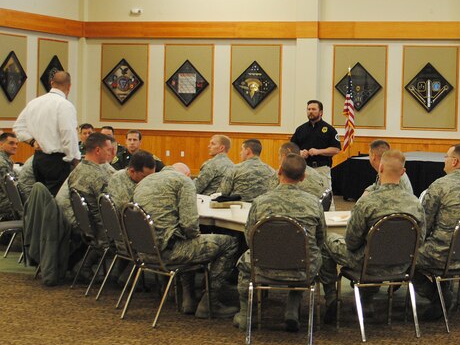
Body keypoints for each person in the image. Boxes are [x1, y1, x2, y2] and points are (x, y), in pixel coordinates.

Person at [323, 150, 425, 322]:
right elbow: (419, 240)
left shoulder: (367, 203)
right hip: (402, 265)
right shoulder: (415, 204)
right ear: (403, 172)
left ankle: (331, 298)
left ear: (381, 168)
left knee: (326, 240)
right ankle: (366, 299)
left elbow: (351, 241)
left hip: (366, 264)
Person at [234, 154, 327, 331]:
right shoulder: (314, 203)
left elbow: (249, 238)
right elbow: (320, 238)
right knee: (306, 253)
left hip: (263, 267)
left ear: (279, 172)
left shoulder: (260, 202)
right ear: (303, 177)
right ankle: (292, 308)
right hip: (303, 269)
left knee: (244, 262)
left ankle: (246, 315)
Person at [133, 163, 240, 318]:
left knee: (186, 240)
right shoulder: (183, 182)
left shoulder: (144, 182)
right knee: (229, 243)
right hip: (169, 253)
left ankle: (188, 298)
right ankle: (209, 304)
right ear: (188, 174)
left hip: (144, 252)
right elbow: (189, 225)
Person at [414, 144, 460, 320]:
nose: (445, 160)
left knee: (404, 257)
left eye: (446, 157)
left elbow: (424, 223)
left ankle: (437, 296)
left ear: (454, 161)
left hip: (443, 255)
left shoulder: (440, 186)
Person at [12, 71, 80, 195]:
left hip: (38, 159)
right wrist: (75, 159)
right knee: (55, 202)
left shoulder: (34, 103)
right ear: (69, 87)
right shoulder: (65, 105)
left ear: (51, 83)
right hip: (58, 161)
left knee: (42, 198)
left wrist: (32, 142)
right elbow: (68, 134)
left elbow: (18, 128)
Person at [57, 133, 116, 245]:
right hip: (102, 232)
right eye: (108, 150)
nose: (109, 153)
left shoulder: (76, 171)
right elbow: (112, 206)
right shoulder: (98, 177)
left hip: (84, 228)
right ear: (98, 150)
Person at [290, 100, 341, 182]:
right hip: (303, 168)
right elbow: (291, 148)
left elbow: (336, 149)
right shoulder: (300, 129)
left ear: (321, 112)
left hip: (321, 169)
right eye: (308, 109)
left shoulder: (329, 129)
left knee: (324, 194)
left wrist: (318, 151)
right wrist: (299, 152)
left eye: (314, 109)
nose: (310, 111)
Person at [0, 133, 18, 219]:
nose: (15, 146)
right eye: (11, 143)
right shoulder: (2, 163)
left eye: (16, 144)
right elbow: (10, 190)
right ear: (1, 144)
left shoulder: (6, 159)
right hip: (3, 206)